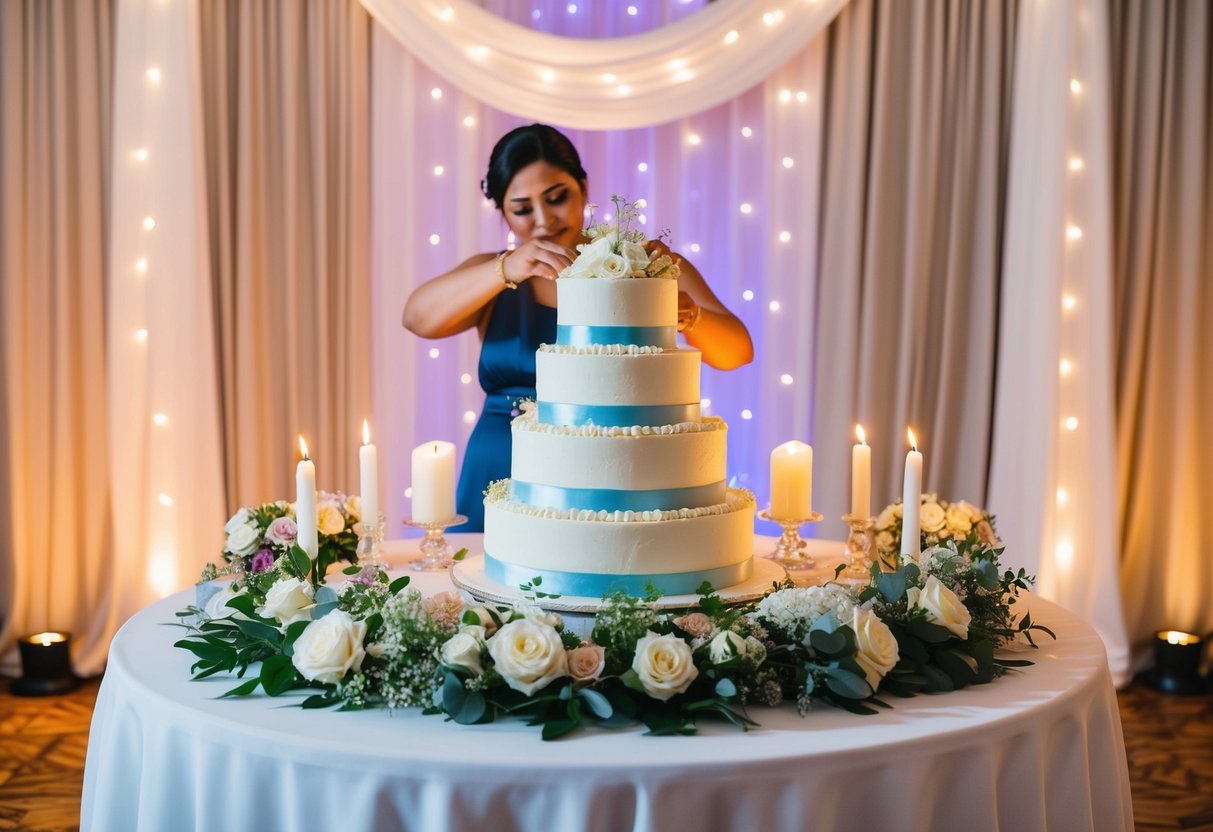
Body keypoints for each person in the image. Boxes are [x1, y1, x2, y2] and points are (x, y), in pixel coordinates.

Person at [403, 124, 753, 531]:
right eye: (521, 208)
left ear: (583, 187)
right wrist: (507, 268)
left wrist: (687, 315)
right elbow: (416, 318)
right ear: (501, 210)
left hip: (606, 470)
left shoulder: (643, 264)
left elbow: (737, 352)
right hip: (502, 462)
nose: (543, 219)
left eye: (557, 198)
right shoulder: (494, 276)